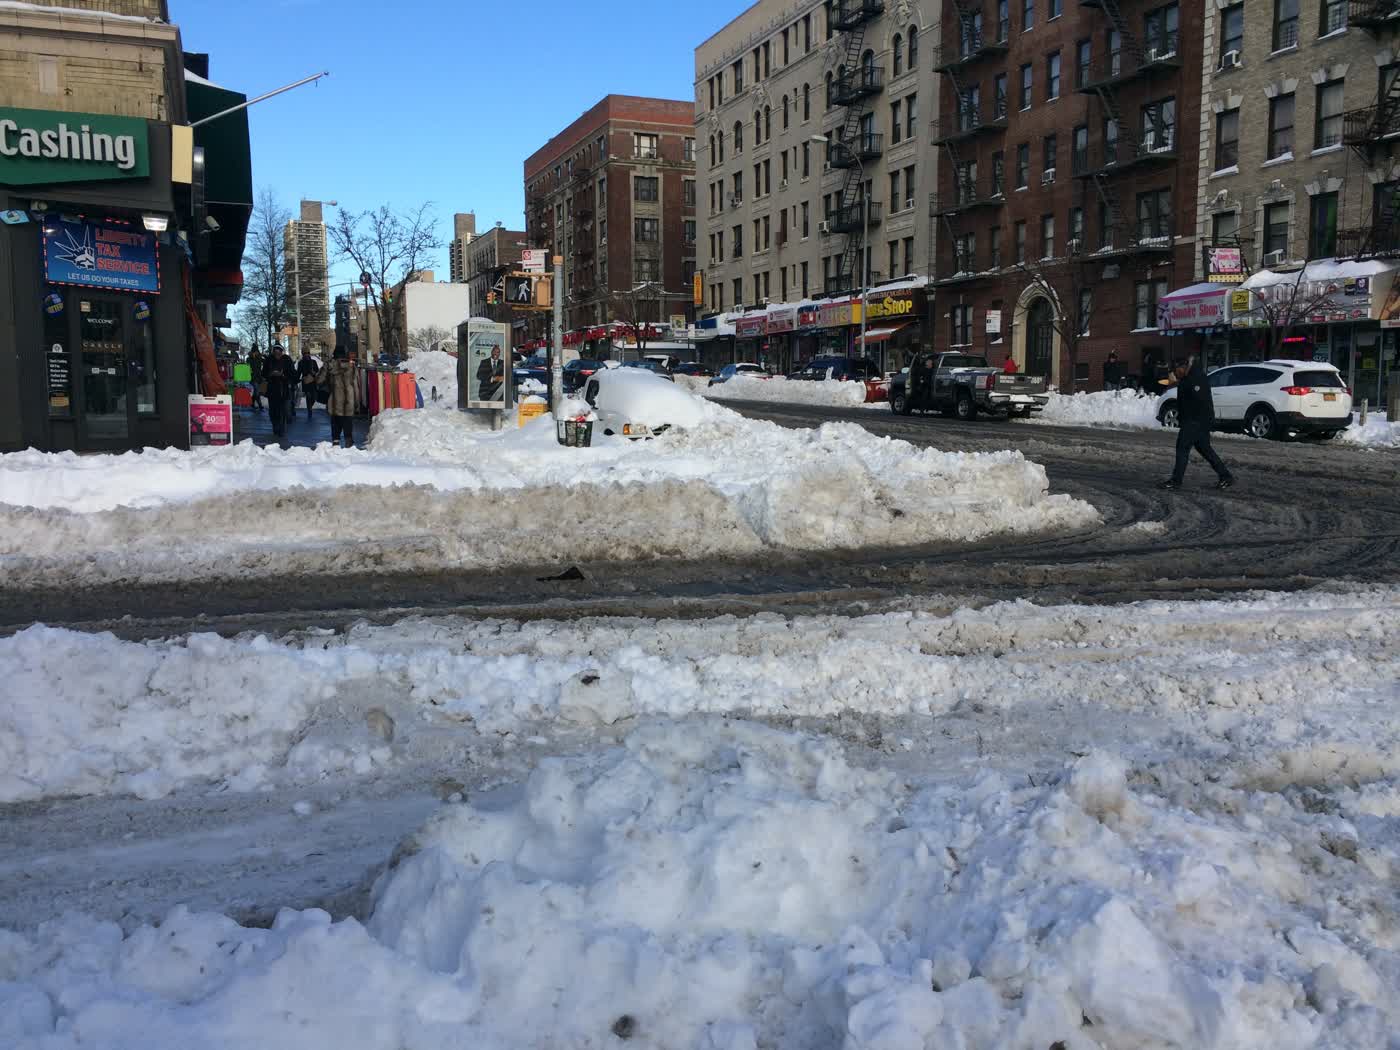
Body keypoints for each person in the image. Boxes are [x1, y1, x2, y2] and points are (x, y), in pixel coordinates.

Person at [1161, 356, 1233, 491]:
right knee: (1205, 450)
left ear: (1183, 367)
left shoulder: (1195, 378)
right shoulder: (1190, 377)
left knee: (1182, 448)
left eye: (1176, 371)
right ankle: (1226, 476)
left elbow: (1198, 401)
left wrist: (1190, 421)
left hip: (1195, 421)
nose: (1176, 374)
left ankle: (1176, 481)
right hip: (1197, 421)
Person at [319, 346, 358, 448]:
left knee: (335, 424)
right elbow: (356, 385)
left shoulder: (329, 365)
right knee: (348, 425)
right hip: (349, 401)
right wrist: (357, 403)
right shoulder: (352, 366)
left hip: (335, 401)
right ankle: (349, 446)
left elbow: (319, 380)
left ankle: (335, 445)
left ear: (334, 355)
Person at [263, 345, 293, 442]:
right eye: (275, 352)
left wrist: (283, 375)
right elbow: (263, 373)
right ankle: (275, 426)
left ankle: (281, 429)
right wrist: (270, 374)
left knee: (282, 410)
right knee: (273, 410)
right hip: (272, 389)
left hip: (283, 388)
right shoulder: (269, 360)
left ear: (281, 352)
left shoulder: (287, 360)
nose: (277, 354)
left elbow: (292, 373)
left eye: (279, 352)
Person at [297, 350, 321, 421]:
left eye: (307, 353)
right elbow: (299, 372)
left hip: (313, 381)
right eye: (305, 353)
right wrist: (298, 379)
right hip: (306, 381)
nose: (306, 355)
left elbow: (317, 371)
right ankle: (309, 410)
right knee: (308, 395)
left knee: (314, 396)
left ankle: (310, 406)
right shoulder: (301, 362)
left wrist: (315, 373)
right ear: (303, 354)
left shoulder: (313, 362)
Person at [248, 347, 264, 411]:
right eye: (255, 352)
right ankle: (260, 405)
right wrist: (253, 357)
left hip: (258, 377)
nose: (256, 353)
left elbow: (265, 361)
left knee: (255, 392)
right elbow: (250, 365)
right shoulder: (249, 359)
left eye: (257, 352)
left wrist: (264, 355)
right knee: (257, 391)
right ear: (253, 352)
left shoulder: (259, 358)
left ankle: (251, 403)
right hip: (252, 377)